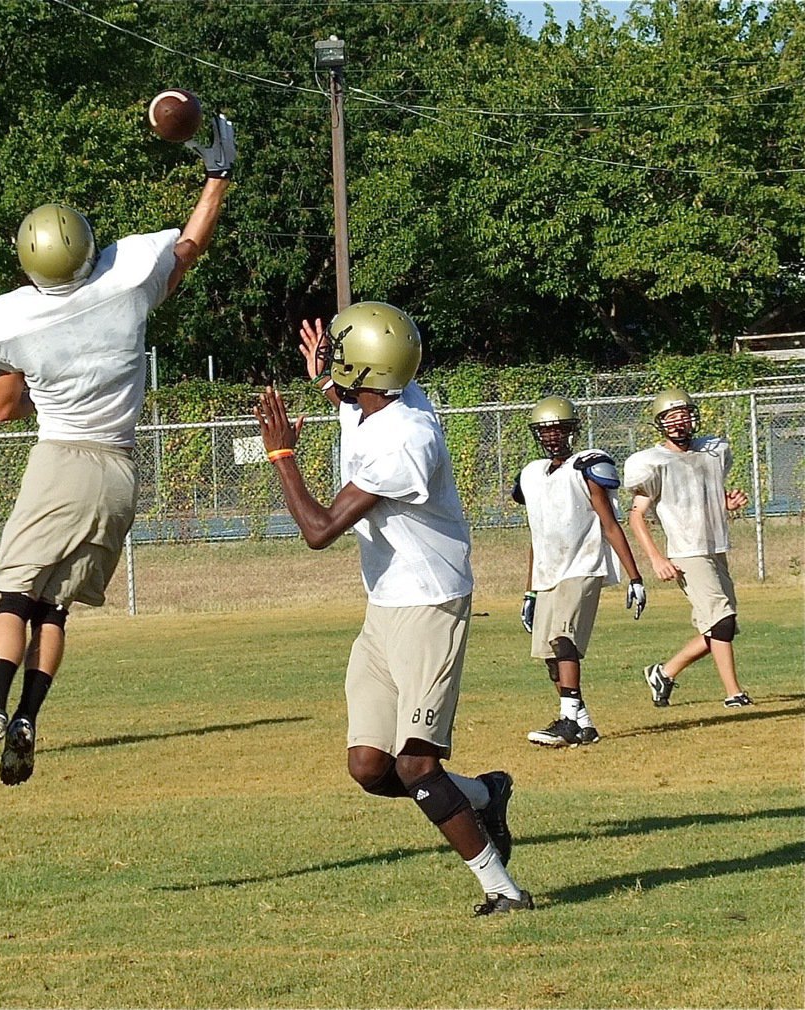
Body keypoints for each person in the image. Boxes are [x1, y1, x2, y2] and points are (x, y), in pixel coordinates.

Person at [0, 114, 236, 785]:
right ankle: (29, 719)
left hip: (61, 460)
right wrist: (217, 175)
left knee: (15, 598)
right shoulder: (127, 285)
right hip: (121, 471)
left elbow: (5, 407)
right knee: (57, 608)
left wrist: (25, 360)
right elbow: (185, 250)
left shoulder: (9, 320)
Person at [254, 301, 532, 917]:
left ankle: (503, 890)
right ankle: (485, 794)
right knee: (369, 767)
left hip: (429, 604)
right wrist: (329, 380)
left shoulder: (407, 437)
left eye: (342, 356)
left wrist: (282, 457)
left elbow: (320, 528)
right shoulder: (384, 403)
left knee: (417, 766)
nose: (335, 367)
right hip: (385, 605)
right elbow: (357, 407)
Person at [512, 395, 647, 748]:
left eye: (558, 429)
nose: (552, 436)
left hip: (583, 564)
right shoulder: (531, 474)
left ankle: (568, 722)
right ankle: (584, 723)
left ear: (572, 430)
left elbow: (610, 524)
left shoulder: (586, 466)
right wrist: (530, 592)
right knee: (549, 656)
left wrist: (634, 577)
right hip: (549, 572)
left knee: (563, 639)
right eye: (545, 430)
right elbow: (537, 537)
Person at [623, 388, 752, 708]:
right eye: (671, 416)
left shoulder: (712, 450)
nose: (680, 421)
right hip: (686, 551)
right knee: (721, 622)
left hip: (715, 545)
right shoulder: (654, 462)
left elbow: (705, 492)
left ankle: (663, 674)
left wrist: (726, 503)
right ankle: (734, 693)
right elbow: (636, 515)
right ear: (661, 423)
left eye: (683, 414)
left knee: (723, 626)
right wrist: (656, 558)